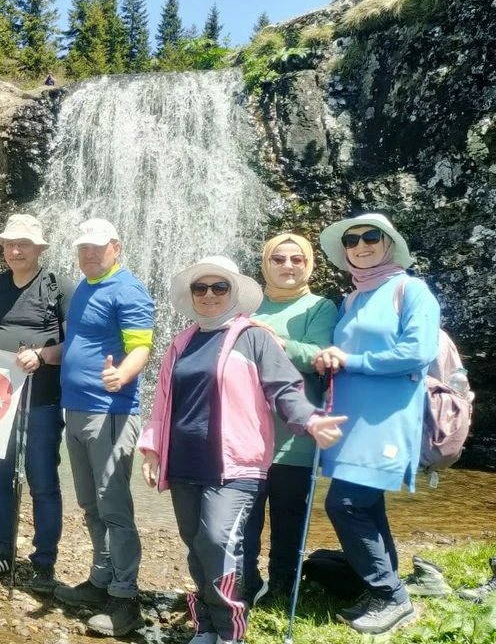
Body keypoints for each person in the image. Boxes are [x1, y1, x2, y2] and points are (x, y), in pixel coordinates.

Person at [137, 256, 347, 644]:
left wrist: (310, 420)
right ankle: (207, 624)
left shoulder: (254, 336)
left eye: (220, 287)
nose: (209, 295)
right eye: (201, 288)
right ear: (191, 295)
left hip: (235, 464)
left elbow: (285, 387)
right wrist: (152, 449)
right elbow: (163, 402)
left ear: (233, 294)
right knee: (197, 546)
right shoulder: (181, 342)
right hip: (183, 461)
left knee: (218, 541)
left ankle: (231, 629)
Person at [313, 212, 440, 635]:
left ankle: (391, 596)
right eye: (352, 240)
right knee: (366, 504)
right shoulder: (351, 299)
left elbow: (417, 352)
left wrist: (352, 360)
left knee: (344, 504)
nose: (361, 245)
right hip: (350, 420)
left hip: (387, 420)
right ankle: (380, 586)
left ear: (388, 244)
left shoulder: (410, 290)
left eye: (372, 237)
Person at [53, 218, 152, 636]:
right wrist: (41, 356)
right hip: (75, 409)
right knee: (90, 504)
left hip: (110, 410)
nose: (89, 254)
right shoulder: (84, 289)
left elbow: (141, 347)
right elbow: (78, 344)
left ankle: (125, 598)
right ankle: (100, 579)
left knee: (113, 506)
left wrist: (122, 375)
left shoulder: (128, 289)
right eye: (83, 248)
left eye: (96, 247)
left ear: (116, 246)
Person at [0, 214, 69, 593]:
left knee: (42, 480)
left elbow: (75, 345)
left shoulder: (60, 287)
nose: (15, 250)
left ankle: (44, 562)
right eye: (9, 244)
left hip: (40, 401)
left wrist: (42, 356)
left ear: (40, 248)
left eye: (23, 244)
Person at [241, 234, 338, 603]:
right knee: (246, 517)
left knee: (288, 517)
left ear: (308, 265)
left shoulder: (320, 307)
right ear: (265, 263)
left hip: (295, 435)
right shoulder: (248, 305)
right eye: (278, 259)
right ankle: (245, 581)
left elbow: (319, 354)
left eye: (297, 260)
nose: (287, 266)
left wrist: (277, 343)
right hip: (249, 430)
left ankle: (282, 586)